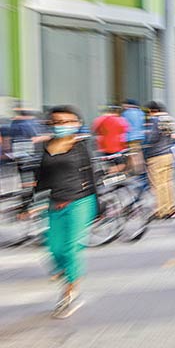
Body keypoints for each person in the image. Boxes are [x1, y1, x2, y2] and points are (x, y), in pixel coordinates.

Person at [35, 105, 96, 318]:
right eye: (57, 122)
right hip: (55, 203)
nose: (61, 126)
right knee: (53, 248)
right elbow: (42, 177)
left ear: (77, 123)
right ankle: (67, 274)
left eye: (66, 121)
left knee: (71, 248)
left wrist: (100, 203)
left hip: (81, 201)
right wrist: (29, 204)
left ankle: (70, 292)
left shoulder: (80, 146)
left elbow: (91, 175)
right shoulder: (47, 147)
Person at [144, 101, 175, 219]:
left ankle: (161, 211)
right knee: (168, 183)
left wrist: (144, 146)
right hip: (168, 155)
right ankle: (170, 207)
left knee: (158, 185)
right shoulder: (168, 119)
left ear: (151, 111)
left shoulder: (154, 121)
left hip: (156, 156)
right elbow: (171, 136)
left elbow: (151, 138)